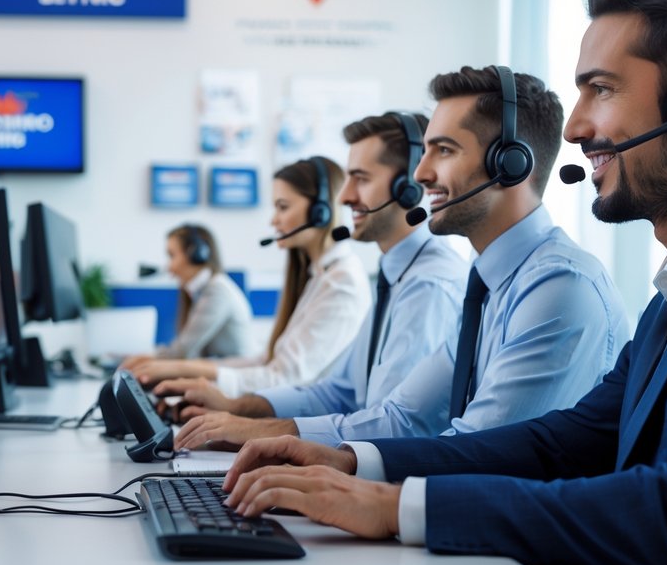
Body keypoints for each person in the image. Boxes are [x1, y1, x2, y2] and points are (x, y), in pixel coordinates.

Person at [222, 0, 667, 565]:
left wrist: (400, 507)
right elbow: (563, 444)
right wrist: (355, 464)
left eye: (600, 89)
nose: (574, 128)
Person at [172, 68, 627, 450]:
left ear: (509, 163)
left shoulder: (555, 288)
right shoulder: (486, 285)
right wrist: (247, 421)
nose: (423, 173)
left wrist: (289, 447)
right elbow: (397, 414)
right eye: (425, 150)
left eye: (443, 150)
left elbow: (477, 452)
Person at [153, 112, 467, 445]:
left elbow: (395, 427)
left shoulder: (428, 285)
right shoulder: (394, 274)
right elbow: (340, 392)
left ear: (408, 187)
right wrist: (237, 407)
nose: (344, 198)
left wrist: (252, 429)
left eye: (360, 178)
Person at [126, 157, 369, 396]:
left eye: (282, 207)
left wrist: (186, 372)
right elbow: (268, 361)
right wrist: (188, 372)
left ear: (321, 213)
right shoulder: (318, 277)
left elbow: (284, 378)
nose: (273, 220)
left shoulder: (341, 283)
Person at [122, 224, 252, 362]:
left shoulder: (217, 291)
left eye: (172, 256)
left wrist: (142, 358)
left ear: (196, 254)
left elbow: (180, 352)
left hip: (234, 375)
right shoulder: (201, 290)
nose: (169, 267)